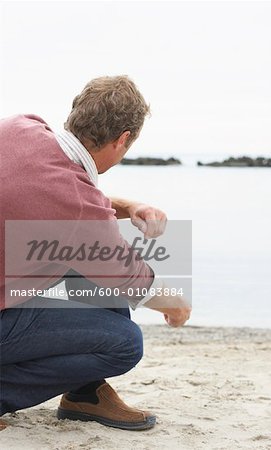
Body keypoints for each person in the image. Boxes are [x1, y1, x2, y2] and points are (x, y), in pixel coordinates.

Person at [0, 76, 191, 431]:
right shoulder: (75, 204)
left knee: (90, 269)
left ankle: (85, 394)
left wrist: (129, 205)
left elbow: (54, 199)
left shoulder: (20, 125)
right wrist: (179, 308)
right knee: (124, 343)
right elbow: (135, 279)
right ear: (123, 140)